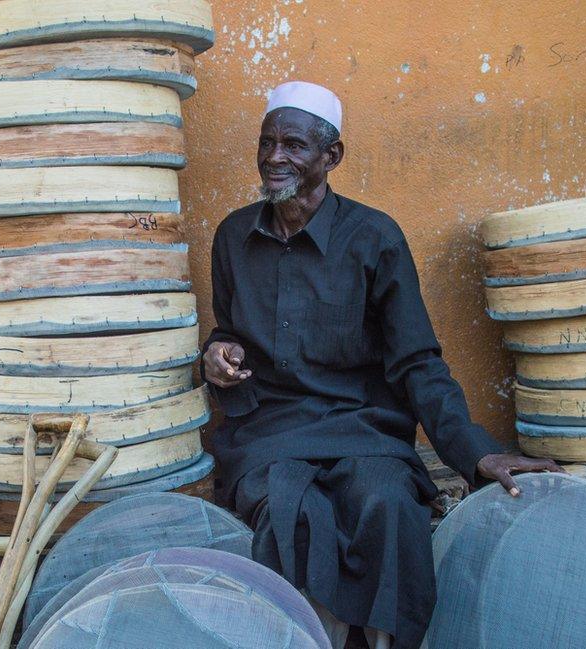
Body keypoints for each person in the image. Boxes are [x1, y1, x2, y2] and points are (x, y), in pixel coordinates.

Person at [201, 81, 562, 649]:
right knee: (288, 513)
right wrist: (217, 356)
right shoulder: (233, 237)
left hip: (364, 426)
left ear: (331, 156)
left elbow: (417, 361)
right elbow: (227, 330)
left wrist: (475, 450)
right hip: (270, 429)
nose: (275, 157)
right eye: (266, 142)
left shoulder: (374, 237)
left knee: (388, 504)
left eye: (293, 145)